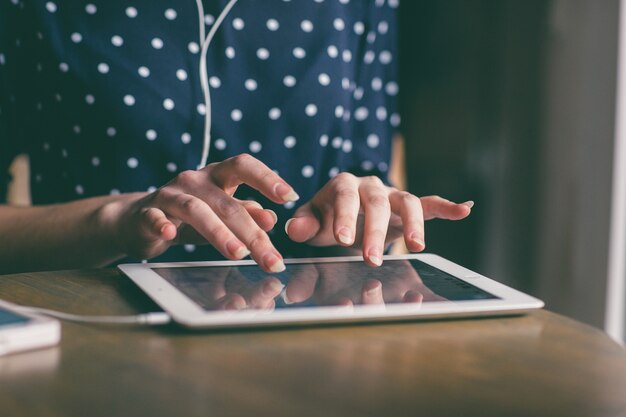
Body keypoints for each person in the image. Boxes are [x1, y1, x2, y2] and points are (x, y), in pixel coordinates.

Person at [0, 0, 472, 275]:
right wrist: (116, 220)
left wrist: (358, 223)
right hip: (93, 340)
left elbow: (373, 179)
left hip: (306, 357)